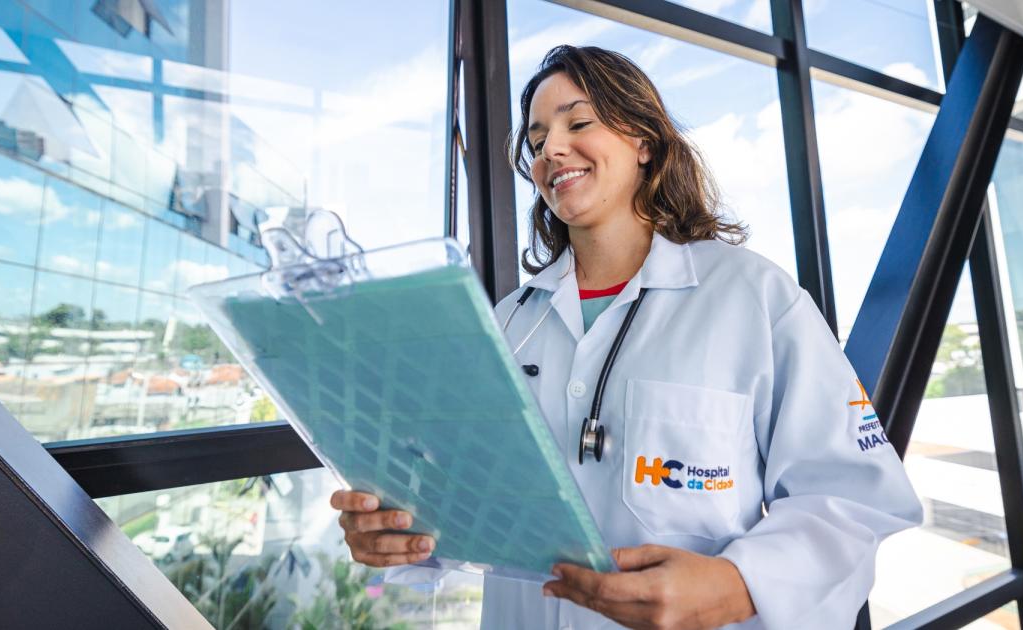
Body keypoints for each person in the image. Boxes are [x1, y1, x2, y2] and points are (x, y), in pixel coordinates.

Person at [330, 45, 922, 629]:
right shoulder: (510, 322)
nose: (551, 149)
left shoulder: (755, 298)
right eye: (537, 141)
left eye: (578, 123)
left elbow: (854, 498)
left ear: (643, 141)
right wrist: (401, 529)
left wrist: (738, 585)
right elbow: (468, 496)